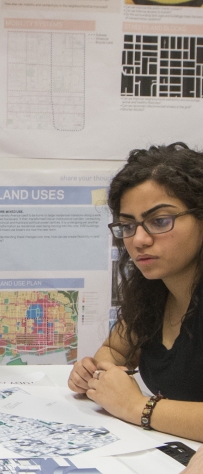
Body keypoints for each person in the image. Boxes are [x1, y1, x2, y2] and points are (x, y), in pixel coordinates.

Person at [69, 142, 203, 442]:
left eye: (159, 221)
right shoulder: (153, 290)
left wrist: (136, 406)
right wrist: (94, 374)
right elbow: (115, 351)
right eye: (127, 226)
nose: (139, 240)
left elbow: (134, 405)